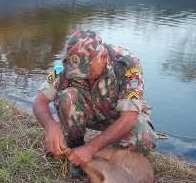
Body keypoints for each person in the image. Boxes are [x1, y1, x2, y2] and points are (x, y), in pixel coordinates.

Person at [32, 30, 157, 175]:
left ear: (103, 57)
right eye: (76, 72)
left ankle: (95, 155)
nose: (80, 75)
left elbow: (129, 117)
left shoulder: (129, 65)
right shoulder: (66, 64)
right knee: (67, 96)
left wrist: (91, 148)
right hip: (89, 113)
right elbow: (39, 102)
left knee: (145, 139)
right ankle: (75, 148)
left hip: (118, 117)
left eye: (87, 70)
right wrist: (51, 127)